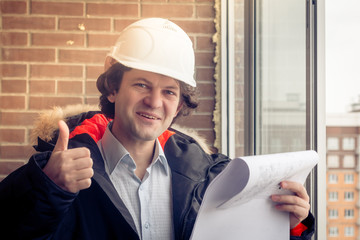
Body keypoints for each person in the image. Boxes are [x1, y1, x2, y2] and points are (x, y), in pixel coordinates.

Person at [0, 18, 314, 240]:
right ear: (113, 89)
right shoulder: (58, 172)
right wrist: (46, 189)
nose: (154, 102)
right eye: (141, 85)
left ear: (179, 105)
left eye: (169, 92)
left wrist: (288, 226)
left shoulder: (207, 176)